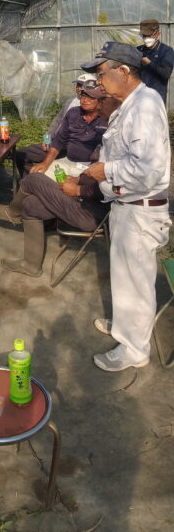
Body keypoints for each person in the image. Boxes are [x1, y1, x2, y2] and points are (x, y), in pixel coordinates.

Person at [80, 41, 171, 372]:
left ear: (123, 71)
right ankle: (124, 325)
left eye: (102, 74)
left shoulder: (145, 107)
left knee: (136, 281)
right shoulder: (129, 105)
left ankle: (134, 349)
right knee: (124, 277)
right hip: (126, 203)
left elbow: (148, 171)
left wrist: (106, 171)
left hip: (140, 208)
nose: (99, 82)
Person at [0, 85, 110, 225]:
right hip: (68, 160)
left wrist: (81, 180)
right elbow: (59, 140)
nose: (84, 100)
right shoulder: (73, 113)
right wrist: (45, 163)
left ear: (100, 101)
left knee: (37, 191)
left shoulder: (107, 119)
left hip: (89, 168)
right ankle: (23, 212)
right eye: (83, 96)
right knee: (38, 175)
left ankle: (20, 212)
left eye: (90, 97)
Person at [15, 74, 98, 177]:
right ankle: (29, 180)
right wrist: (47, 137)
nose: (79, 88)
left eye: (82, 85)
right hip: (56, 141)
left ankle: (33, 182)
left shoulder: (92, 109)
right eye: (78, 85)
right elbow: (58, 119)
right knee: (21, 155)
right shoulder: (71, 101)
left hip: (66, 146)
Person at [136, 18, 174, 104]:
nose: (146, 38)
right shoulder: (138, 50)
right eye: (144, 36)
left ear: (158, 34)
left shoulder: (166, 51)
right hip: (138, 97)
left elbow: (166, 74)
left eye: (149, 35)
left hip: (156, 98)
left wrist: (147, 62)